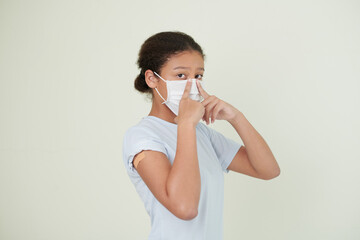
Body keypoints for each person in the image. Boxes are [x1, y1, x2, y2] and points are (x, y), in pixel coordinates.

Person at [122, 31, 280, 240]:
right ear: (152, 78)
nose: (192, 84)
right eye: (180, 75)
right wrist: (186, 123)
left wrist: (236, 117)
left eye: (198, 76)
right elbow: (185, 208)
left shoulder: (201, 133)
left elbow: (268, 170)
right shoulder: (143, 137)